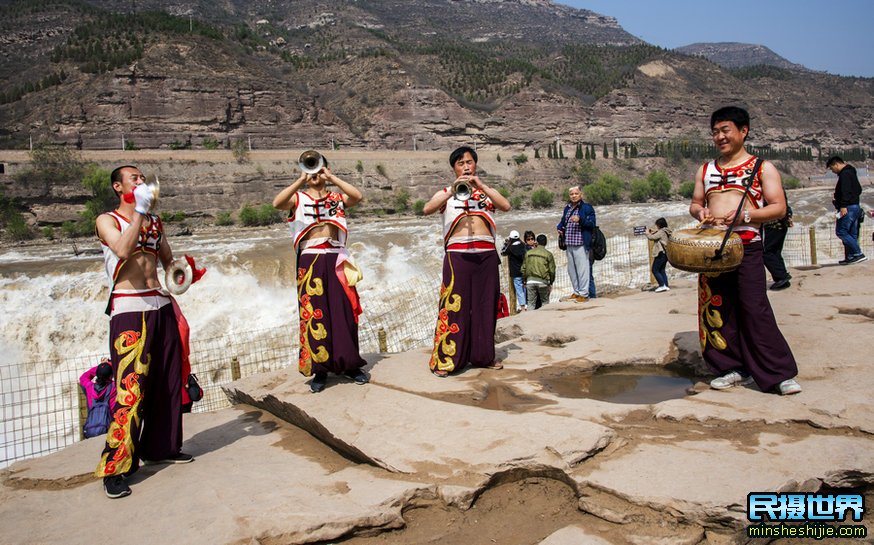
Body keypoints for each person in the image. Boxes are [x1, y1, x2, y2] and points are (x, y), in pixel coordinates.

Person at [94, 165, 195, 499]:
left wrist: (184, 273)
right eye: (133, 178)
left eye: (142, 178)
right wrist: (139, 210)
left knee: (167, 381)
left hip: (160, 305)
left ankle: (162, 447)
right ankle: (117, 467)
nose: (141, 181)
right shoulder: (108, 220)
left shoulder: (153, 222)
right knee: (130, 388)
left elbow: (168, 263)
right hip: (129, 307)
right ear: (117, 186)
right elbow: (122, 250)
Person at [689, 106, 801, 396]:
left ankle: (778, 373)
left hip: (746, 246)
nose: (719, 137)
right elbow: (695, 203)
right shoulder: (706, 169)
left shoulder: (762, 168)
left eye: (725, 130)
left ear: (743, 131)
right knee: (715, 306)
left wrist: (745, 217)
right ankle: (731, 367)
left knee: (754, 306)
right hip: (712, 248)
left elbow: (779, 207)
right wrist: (700, 212)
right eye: (715, 132)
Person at [273, 153, 369, 394]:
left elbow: (357, 196)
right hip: (310, 259)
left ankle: (349, 364)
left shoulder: (337, 197)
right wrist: (300, 180)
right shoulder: (298, 198)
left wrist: (332, 178)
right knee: (315, 313)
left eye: (319, 167)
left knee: (344, 312)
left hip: (336, 257)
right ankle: (320, 369)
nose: (315, 174)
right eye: (311, 168)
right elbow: (277, 203)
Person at [423, 146, 511, 377]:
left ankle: (484, 356)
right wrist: (452, 190)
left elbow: (506, 206)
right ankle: (447, 359)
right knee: (454, 306)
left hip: (486, 255)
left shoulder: (485, 193)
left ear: (476, 165)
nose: (466, 166)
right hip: (457, 256)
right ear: (454, 168)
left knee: (485, 306)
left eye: (469, 162)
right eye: (461, 163)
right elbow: (427, 209)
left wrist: (482, 187)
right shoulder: (446, 194)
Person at [556, 186, 596, 302]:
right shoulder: (567, 208)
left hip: (581, 243)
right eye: (571, 194)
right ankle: (577, 291)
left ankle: (584, 294)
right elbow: (563, 222)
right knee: (572, 270)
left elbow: (592, 224)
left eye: (576, 193)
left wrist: (580, 220)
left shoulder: (587, 208)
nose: (574, 196)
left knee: (582, 269)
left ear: (581, 194)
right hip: (569, 243)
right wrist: (559, 228)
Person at [827, 156, 866, 264]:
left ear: (836, 164)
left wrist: (843, 205)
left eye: (831, 168)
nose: (832, 171)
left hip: (848, 207)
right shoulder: (851, 172)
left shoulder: (845, 174)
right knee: (851, 233)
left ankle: (858, 253)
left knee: (841, 232)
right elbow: (859, 189)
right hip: (855, 206)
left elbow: (846, 191)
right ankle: (851, 257)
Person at [763, 190, 793, 290]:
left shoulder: (767, 189)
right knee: (775, 251)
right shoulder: (777, 187)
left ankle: (781, 277)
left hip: (774, 224)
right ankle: (782, 277)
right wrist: (789, 215)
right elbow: (784, 202)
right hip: (779, 223)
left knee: (767, 252)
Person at [521, 234, 556, 309]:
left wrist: (524, 280)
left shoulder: (529, 253)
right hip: (543, 282)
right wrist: (551, 282)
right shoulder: (548, 254)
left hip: (530, 281)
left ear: (536, 242)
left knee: (531, 304)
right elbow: (552, 271)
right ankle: (543, 320)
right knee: (545, 303)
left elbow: (523, 268)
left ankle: (529, 320)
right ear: (546, 243)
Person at [500, 230, 527, 312]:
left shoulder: (510, 248)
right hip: (525, 270)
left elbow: (502, 252)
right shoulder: (523, 245)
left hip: (516, 272)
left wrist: (506, 244)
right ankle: (527, 305)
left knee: (519, 290)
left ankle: (523, 307)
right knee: (525, 288)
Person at [645, 218, 671, 292]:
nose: (656, 226)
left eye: (656, 225)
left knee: (655, 270)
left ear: (659, 225)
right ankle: (666, 285)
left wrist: (647, 233)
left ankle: (662, 285)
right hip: (665, 253)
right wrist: (653, 232)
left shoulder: (661, 232)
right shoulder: (666, 231)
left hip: (660, 253)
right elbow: (657, 235)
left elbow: (651, 237)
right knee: (662, 270)